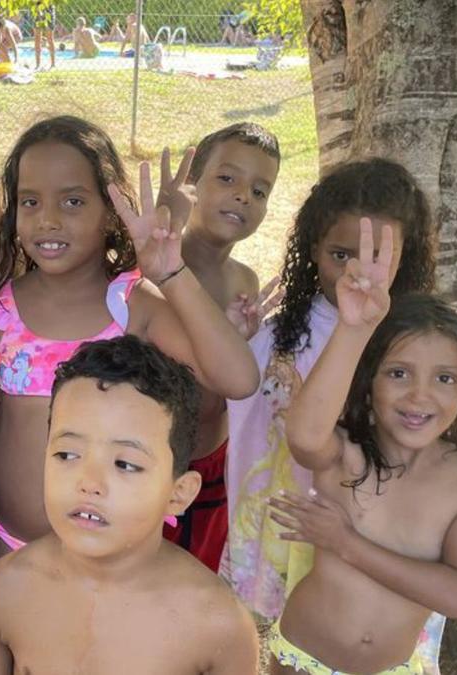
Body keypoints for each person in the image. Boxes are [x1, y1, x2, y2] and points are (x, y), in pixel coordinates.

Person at [0, 115, 260, 643]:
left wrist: (170, 272)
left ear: (110, 213)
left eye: (73, 201)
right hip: (9, 541)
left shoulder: (132, 305)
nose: (48, 219)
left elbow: (238, 378)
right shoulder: (2, 304)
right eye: (30, 201)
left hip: (116, 566)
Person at [221, 158, 448, 671]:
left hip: (378, 534)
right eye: (340, 253)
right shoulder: (280, 333)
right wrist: (238, 341)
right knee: (296, 645)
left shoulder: (417, 341)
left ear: (406, 257)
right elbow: (234, 407)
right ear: (313, 250)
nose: (356, 272)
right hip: (294, 523)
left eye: (376, 257)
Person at [266, 232, 457, 673]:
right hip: (301, 660)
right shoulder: (347, 453)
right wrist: (354, 329)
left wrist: (345, 543)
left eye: (445, 378)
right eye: (399, 373)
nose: (421, 396)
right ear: (369, 382)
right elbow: (303, 437)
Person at [0, 336, 260, 673]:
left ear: (178, 493)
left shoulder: (218, 626)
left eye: (125, 464)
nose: (89, 482)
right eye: (67, 454)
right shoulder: (2, 592)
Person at [155, 123, 283, 572]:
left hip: (214, 465)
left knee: (195, 583)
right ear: (192, 186)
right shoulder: (156, 267)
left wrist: (241, 339)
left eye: (260, 190)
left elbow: (234, 375)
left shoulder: (243, 281)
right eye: (227, 179)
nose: (244, 195)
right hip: (155, 465)